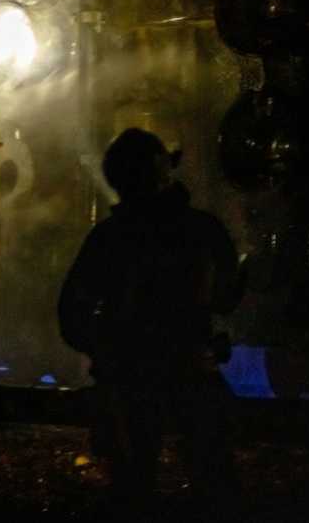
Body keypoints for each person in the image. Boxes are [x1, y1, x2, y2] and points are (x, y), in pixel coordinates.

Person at [58, 128, 246, 511]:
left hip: (130, 375)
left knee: (132, 486)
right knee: (213, 481)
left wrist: (104, 350)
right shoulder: (200, 230)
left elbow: (72, 313)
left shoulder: (109, 238)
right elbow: (227, 297)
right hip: (189, 367)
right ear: (163, 172)